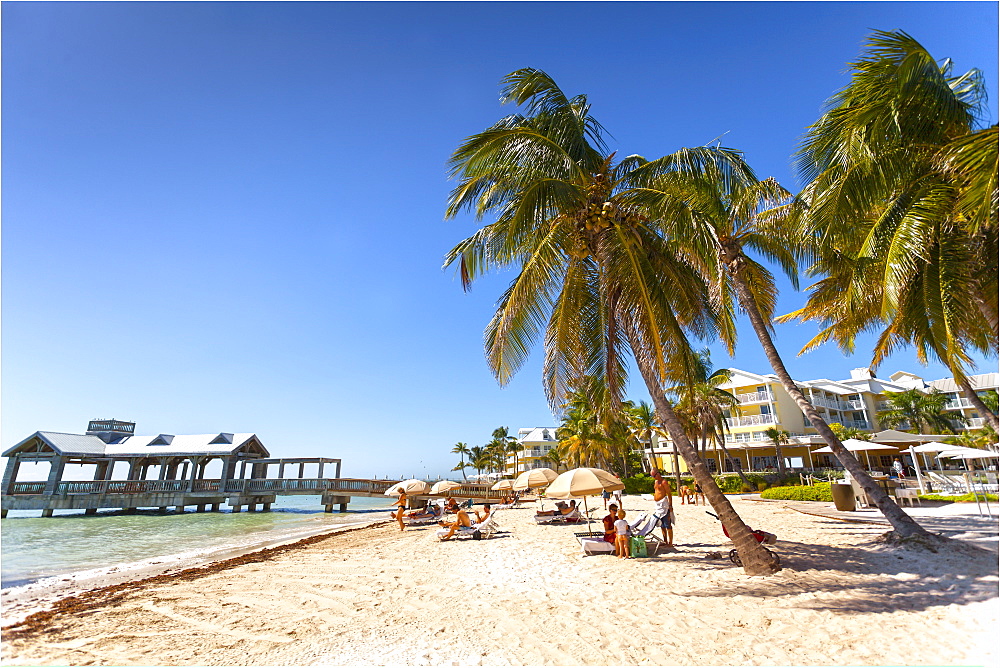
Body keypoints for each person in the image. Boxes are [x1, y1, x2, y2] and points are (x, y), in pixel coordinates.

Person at [651, 468, 674, 546]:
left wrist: (670, 505)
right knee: (662, 525)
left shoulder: (664, 482)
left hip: (664, 505)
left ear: (658, 474)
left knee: (667, 524)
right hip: (658, 505)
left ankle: (670, 542)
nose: (653, 478)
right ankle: (665, 541)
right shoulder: (656, 482)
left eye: (654, 476)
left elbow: (669, 494)